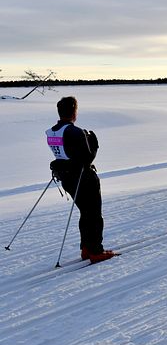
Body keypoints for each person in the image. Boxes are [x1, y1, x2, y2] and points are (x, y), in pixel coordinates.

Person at [47, 97, 117, 263]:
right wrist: (94, 143)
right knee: (93, 215)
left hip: (67, 179)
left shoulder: (51, 132)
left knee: (85, 213)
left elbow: (64, 153)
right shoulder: (75, 131)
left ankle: (86, 248)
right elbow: (87, 158)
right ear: (74, 112)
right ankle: (95, 251)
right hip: (83, 178)